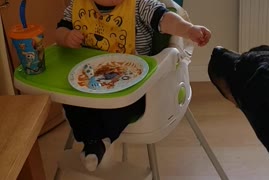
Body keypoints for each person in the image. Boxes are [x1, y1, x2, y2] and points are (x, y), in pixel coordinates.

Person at [55, 0, 211, 172]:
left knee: (122, 107)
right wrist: (66, 37)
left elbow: (165, 19)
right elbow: (60, 31)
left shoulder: (139, 5)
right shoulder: (77, 6)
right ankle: (93, 143)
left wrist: (188, 30)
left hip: (131, 83)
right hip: (91, 81)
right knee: (72, 103)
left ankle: (103, 140)